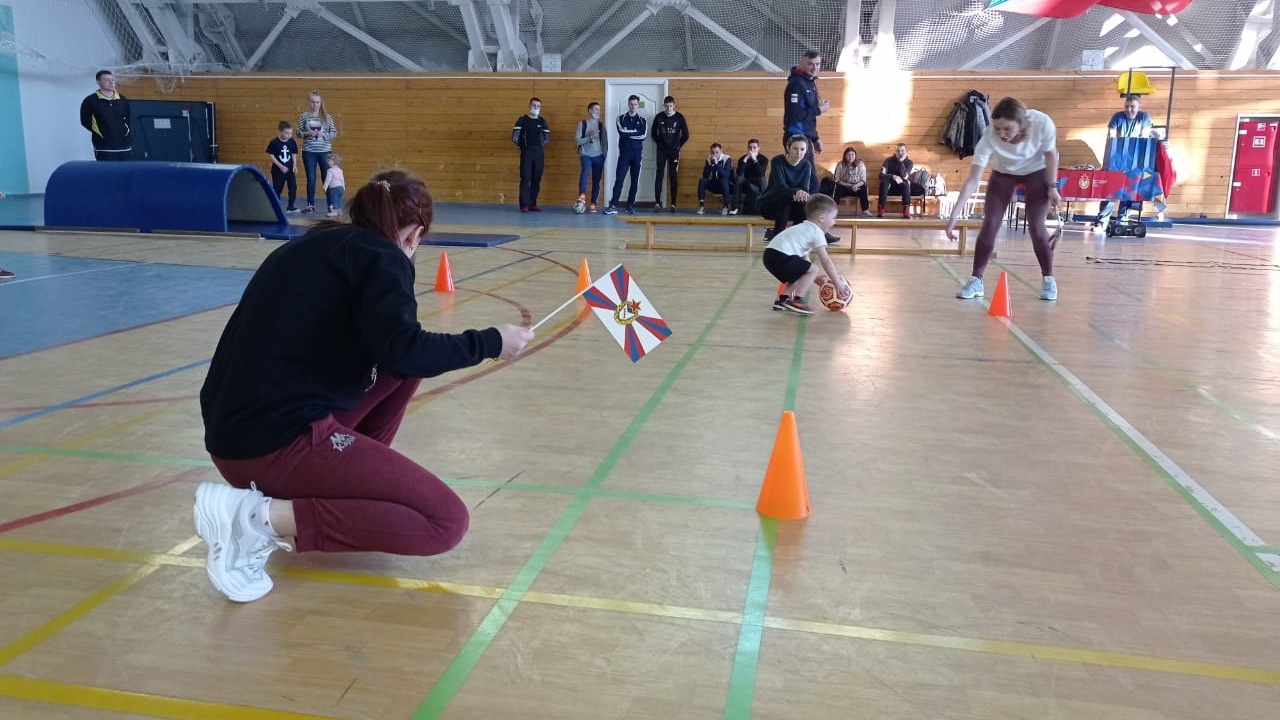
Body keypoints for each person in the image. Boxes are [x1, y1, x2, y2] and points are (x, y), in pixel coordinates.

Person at [194, 169, 535, 603]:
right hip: (269, 445)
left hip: (233, 433)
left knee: (401, 369)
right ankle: (255, 518)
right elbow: (408, 348)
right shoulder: (384, 257)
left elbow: (398, 356)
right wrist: (491, 342)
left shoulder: (319, 242)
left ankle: (317, 494)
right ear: (414, 234)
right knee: (446, 523)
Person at [946, 97, 1061, 302]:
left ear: (1021, 123)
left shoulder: (1042, 124)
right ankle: (976, 280)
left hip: (1037, 172)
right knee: (989, 224)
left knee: (1036, 226)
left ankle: (1048, 278)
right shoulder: (989, 136)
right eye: (998, 128)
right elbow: (973, 179)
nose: (1001, 134)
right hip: (1003, 174)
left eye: (1007, 129)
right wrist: (954, 214)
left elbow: (1051, 155)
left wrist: (1052, 187)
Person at [763, 194, 846, 315]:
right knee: (814, 269)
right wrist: (837, 282)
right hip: (780, 255)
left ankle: (782, 300)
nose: (834, 222)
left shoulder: (803, 228)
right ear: (822, 218)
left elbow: (804, 261)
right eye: (833, 218)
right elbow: (826, 260)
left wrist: (815, 278)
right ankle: (797, 300)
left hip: (770, 255)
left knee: (800, 273)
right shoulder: (817, 232)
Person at [759, 135, 837, 244]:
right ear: (788, 148)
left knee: (805, 203)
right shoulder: (777, 161)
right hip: (770, 205)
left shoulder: (806, 165)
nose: (799, 152)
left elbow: (804, 190)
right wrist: (796, 191)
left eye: (802, 149)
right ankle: (778, 238)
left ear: (806, 151)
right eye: (795, 148)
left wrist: (800, 193)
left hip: (791, 208)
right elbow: (780, 188)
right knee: (786, 198)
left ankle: (805, 236)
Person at [1095, 94, 1155, 229]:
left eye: (1132, 107)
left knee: (1129, 190)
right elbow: (1112, 137)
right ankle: (1102, 221)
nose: (1129, 110)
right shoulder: (1117, 117)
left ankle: (1122, 219)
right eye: (1126, 106)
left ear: (1139, 107)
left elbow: (1144, 137)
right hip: (1116, 157)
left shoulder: (1144, 117)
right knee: (1110, 191)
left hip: (1134, 161)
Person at [604, 95, 647, 215]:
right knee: (619, 180)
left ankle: (630, 205)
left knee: (634, 182)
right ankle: (613, 205)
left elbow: (643, 136)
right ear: (628, 105)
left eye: (635, 104)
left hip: (637, 155)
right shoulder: (620, 118)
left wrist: (629, 132)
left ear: (638, 105)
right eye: (631, 104)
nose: (633, 106)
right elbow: (622, 132)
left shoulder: (643, 120)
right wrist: (634, 132)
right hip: (624, 155)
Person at [298, 91, 338, 214]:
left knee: (327, 177)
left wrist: (324, 135)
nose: (315, 104)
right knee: (311, 178)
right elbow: (298, 133)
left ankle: (330, 205)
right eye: (313, 102)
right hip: (309, 152)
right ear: (309, 102)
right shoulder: (304, 116)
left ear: (321, 103)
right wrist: (307, 133)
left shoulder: (327, 117)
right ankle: (311, 205)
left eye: (317, 102)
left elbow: (334, 133)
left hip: (324, 152)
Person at [783, 50, 829, 155]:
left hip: (805, 136)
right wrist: (819, 109)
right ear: (801, 64)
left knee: (809, 171)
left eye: (817, 64)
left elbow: (807, 118)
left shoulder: (809, 82)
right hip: (796, 137)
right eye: (810, 64)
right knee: (807, 171)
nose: (814, 67)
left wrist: (814, 138)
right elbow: (795, 115)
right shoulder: (796, 84)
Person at [79, 70, 131, 161]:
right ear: (98, 82)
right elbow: (85, 121)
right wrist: (102, 134)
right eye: (107, 80)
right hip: (104, 148)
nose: (111, 82)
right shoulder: (90, 101)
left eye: (113, 80)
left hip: (124, 147)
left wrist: (125, 133)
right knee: (107, 174)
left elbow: (129, 119)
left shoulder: (123, 100)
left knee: (124, 174)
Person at [651, 95, 689, 212]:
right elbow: (653, 134)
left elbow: (686, 135)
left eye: (671, 106)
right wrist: (661, 144)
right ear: (664, 106)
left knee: (673, 176)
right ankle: (657, 202)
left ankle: (673, 203)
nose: (668, 108)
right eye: (666, 106)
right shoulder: (658, 117)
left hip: (674, 152)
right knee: (659, 175)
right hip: (661, 151)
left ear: (674, 105)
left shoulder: (680, 117)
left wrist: (677, 146)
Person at [512, 97, 551, 212]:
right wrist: (524, 147)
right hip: (526, 152)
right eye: (534, 105)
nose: (536, 108)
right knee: (525, 178)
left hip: (539, 153)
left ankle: (532, 203)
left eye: (538, 106)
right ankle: (524, 204)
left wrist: (538, 146)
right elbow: (514, 137)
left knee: (536, 179)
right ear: (529, 106)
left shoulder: (542, 122)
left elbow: (547, 138)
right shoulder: (522, 120)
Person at [574, 102, 608, 212]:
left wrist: (604, 156)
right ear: (590, 110)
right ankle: (582, 194)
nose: (598, 111)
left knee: (596, 181)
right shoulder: (582, 124)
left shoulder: (601, 125)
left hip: (599, 156)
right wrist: (590, 136)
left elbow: (605, 143)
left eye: (599, 109)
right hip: (585, 154)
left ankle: (593, 203)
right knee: (585, 171)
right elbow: (577, 141)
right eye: (595, 109)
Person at [820, 147, 870, 215]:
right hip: (845, 187)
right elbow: (837, 180)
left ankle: (865, 209)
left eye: (852, 155)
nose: (850, 157)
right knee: (837, 187)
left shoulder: (861, 165)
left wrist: (855, 186)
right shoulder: (840, 165)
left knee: (864, 187)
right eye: (848, 155)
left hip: (856, 187)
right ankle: (834, 209)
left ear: (855, 156)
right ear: (845, 156)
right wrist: (850, 186)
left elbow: (863, 180)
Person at [266, 121, 300, 213]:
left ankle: (291, 206)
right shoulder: (274, 142)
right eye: (286, 133)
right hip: (278, 171)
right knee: (277, 188)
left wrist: (295, 165)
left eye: (290, 133)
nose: (289, 135)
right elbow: (272, 156)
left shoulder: (292, 141)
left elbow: (293, 153)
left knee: (293, 187)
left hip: (290, 169)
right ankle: (275, 207)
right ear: (280, 132)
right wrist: (281, 166)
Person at [877, 143, 916, 217]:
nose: (900, 153)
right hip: (888, 188)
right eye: (898, 151)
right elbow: (880, 175)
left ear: (906, 151)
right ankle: (881, 209)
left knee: (906, 182)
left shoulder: (909, 163)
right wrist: (892, 176)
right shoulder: (888, 160)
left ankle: (906, 209)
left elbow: (905, 176)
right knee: (884, 182)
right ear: (895, 152)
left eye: (902, 151)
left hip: (902, 189)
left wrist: (900, 162)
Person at [696, 144, 735, 215]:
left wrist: (717, 164)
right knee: (702, 181)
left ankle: (725, 206)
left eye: (717, 152)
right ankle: (701, 206)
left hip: (727, 186)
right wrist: (708, 164)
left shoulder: (727, 159)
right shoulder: (710, 159)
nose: (714, 154)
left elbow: (725, 175)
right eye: (713, 152)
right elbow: (705, 175)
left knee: (723, 180)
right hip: (716, 185)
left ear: (721, 151)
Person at [733, 139, 769, 216]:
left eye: (754, 147)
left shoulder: (764, 159)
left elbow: (761, 173)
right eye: (750, 147)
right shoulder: (742, 159)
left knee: (762, 179)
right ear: (747, 148)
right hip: (745, 181)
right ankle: (735, 207)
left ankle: (767, 206)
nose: (752, 149)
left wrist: (754, 159)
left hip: (757, 181)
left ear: (758, 148)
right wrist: (745, 160)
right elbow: (739, 173)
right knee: (739, 178)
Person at [324, 153, 346, 217]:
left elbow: (328, 179)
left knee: (334, 199)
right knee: (339, 199)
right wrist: (343, 187)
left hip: (334, 188)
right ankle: (339, 211)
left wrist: (325, 187)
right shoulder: (340, 170)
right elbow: (342, 179)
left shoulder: (330, 170)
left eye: (329, 161)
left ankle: (335, 211)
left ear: (333, 162)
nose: (327, 162)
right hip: (341, 188)